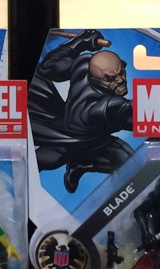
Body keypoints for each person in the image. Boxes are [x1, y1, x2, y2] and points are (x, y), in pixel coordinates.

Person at [29, 29, 133, 193]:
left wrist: (82, 41)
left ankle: (82, 165)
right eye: (110, 78)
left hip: (65, 126)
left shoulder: (83, 65)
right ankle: (83, 163)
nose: (120, 80)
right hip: (74, 143)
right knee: (129, 161)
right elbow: (146, 112)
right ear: (97, 78)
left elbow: (49, 66)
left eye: (121, 72)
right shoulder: (107, 105)